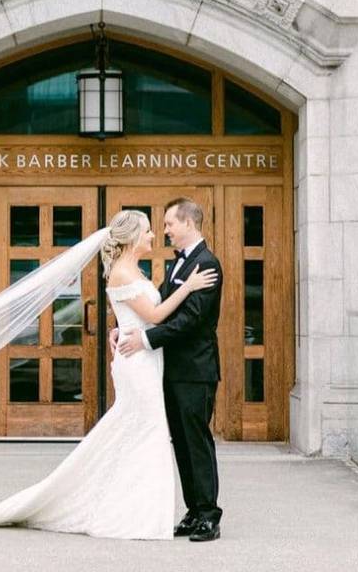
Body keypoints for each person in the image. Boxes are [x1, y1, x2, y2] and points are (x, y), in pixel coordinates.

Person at [0, 209, 217, 540]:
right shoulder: (124, 273)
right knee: (145, 431)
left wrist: (121, 326)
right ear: (133, 237)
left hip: (145, 358)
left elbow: (141, 313)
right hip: (137, 363)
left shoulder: (136, 270)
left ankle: (159, 511)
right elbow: (155, 312)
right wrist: (187, 288)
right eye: (150, 230)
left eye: (162, 227)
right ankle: (141, 513)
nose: (156, 235)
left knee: (141, 433)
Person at [115, 197, 224, 542]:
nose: (164, 232)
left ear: (188, 223)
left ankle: (209, 515)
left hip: (195, 371)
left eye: (168, 224)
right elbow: (158, 306)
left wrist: (144, 340)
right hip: (172, 370)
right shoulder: (180, 264)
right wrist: (127, 326)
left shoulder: (207, 264)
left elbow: (190, 321)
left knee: (197, 442)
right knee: (181, 442)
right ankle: (194, 511)